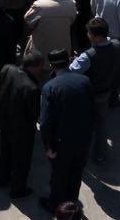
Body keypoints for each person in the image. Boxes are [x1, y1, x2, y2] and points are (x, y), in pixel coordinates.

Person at [37, 61, 95, 208]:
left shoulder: (49, 87)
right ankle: (72, 203)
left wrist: (48, 146)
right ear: (68, 61)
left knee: (59, 176)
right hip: (83, 139)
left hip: (62, 143)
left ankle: (55, 206)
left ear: (51, 66)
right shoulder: (84, 80)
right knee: (76, 174)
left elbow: (44, 122)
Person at [0, 50, 47, 199]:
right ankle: (18, 189)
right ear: (33, 67)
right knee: (21, 161)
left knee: (4, 152)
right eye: (41, 66)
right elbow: (33, 113)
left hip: (4, 122)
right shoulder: (33, 88)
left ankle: (1, 179)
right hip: (22, 130)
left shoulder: (7, 69)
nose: (42, 69)